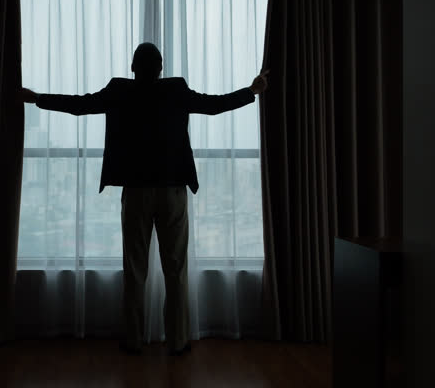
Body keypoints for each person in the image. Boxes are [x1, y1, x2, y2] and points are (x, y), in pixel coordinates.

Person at [20, 42, 269, 355]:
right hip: (173, 190)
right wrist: (252, 90)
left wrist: (36, 98)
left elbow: (79, 105)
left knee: (135, 269)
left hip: (136, 190)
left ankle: (133, 340)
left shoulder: (119, 91)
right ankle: (178, 342)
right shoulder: (176, 90)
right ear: (161, 68)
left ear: (133, 68)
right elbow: (214, 105)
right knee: (176, 270)